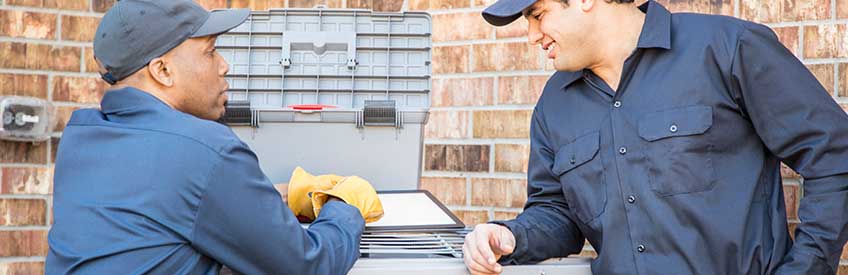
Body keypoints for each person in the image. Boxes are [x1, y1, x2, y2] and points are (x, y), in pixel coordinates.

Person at [462, 0, 848, 274]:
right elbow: (558, 214)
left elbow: (834, 155)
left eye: (538, 15)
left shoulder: (726, 48)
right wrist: (511, 236)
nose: (531, 36)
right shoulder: (554, 105)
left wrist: (806, 268)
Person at [46, 1, 382, 274]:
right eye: (210, 52)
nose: (224, 66)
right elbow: (308, 266)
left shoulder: (80, 138)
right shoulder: (205, 150)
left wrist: (275, 196)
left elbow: (162, 210)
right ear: (162, 70)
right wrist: (344, 207)